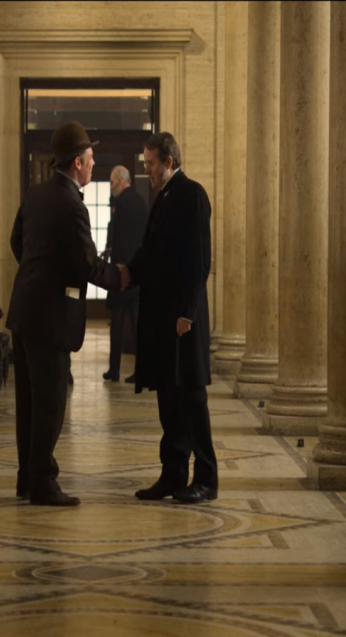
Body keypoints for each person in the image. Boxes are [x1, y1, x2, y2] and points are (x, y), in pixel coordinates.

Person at [6, 121, 126, 506]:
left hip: (23, 312)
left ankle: (27, 477)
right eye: (91, 158)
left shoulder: (36, 195)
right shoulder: (73, 204)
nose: (94, 164)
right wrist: (120, 279)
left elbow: (16, 241)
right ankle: (43, 482)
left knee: (27, 402)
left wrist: (38, 273)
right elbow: (87, 265)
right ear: (77, 162)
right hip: (49, 319)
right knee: (51, 403)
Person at [120, 132, 218, 504]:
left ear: (169, 162)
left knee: (192, 400)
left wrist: (186, 314)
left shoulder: (192, 194)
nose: (146, 171)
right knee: (169, 399)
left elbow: (199, 261)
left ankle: (206, 478)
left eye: (150, 164)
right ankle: (173, 474)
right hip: (163, 318)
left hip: (182, 319)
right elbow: (152, 252)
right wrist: (127, 272)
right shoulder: (163, 197)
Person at [103, 166, 149, 383]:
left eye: (112, 184)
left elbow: (118, 237)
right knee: (139, 324)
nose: (112, 188)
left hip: (124, 272)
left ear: (121, 181)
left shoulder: (119, 204)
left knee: (117, 323)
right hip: (139, 271)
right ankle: (142, 369)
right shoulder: (142, 202)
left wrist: (116, 268)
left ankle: (114, 369)